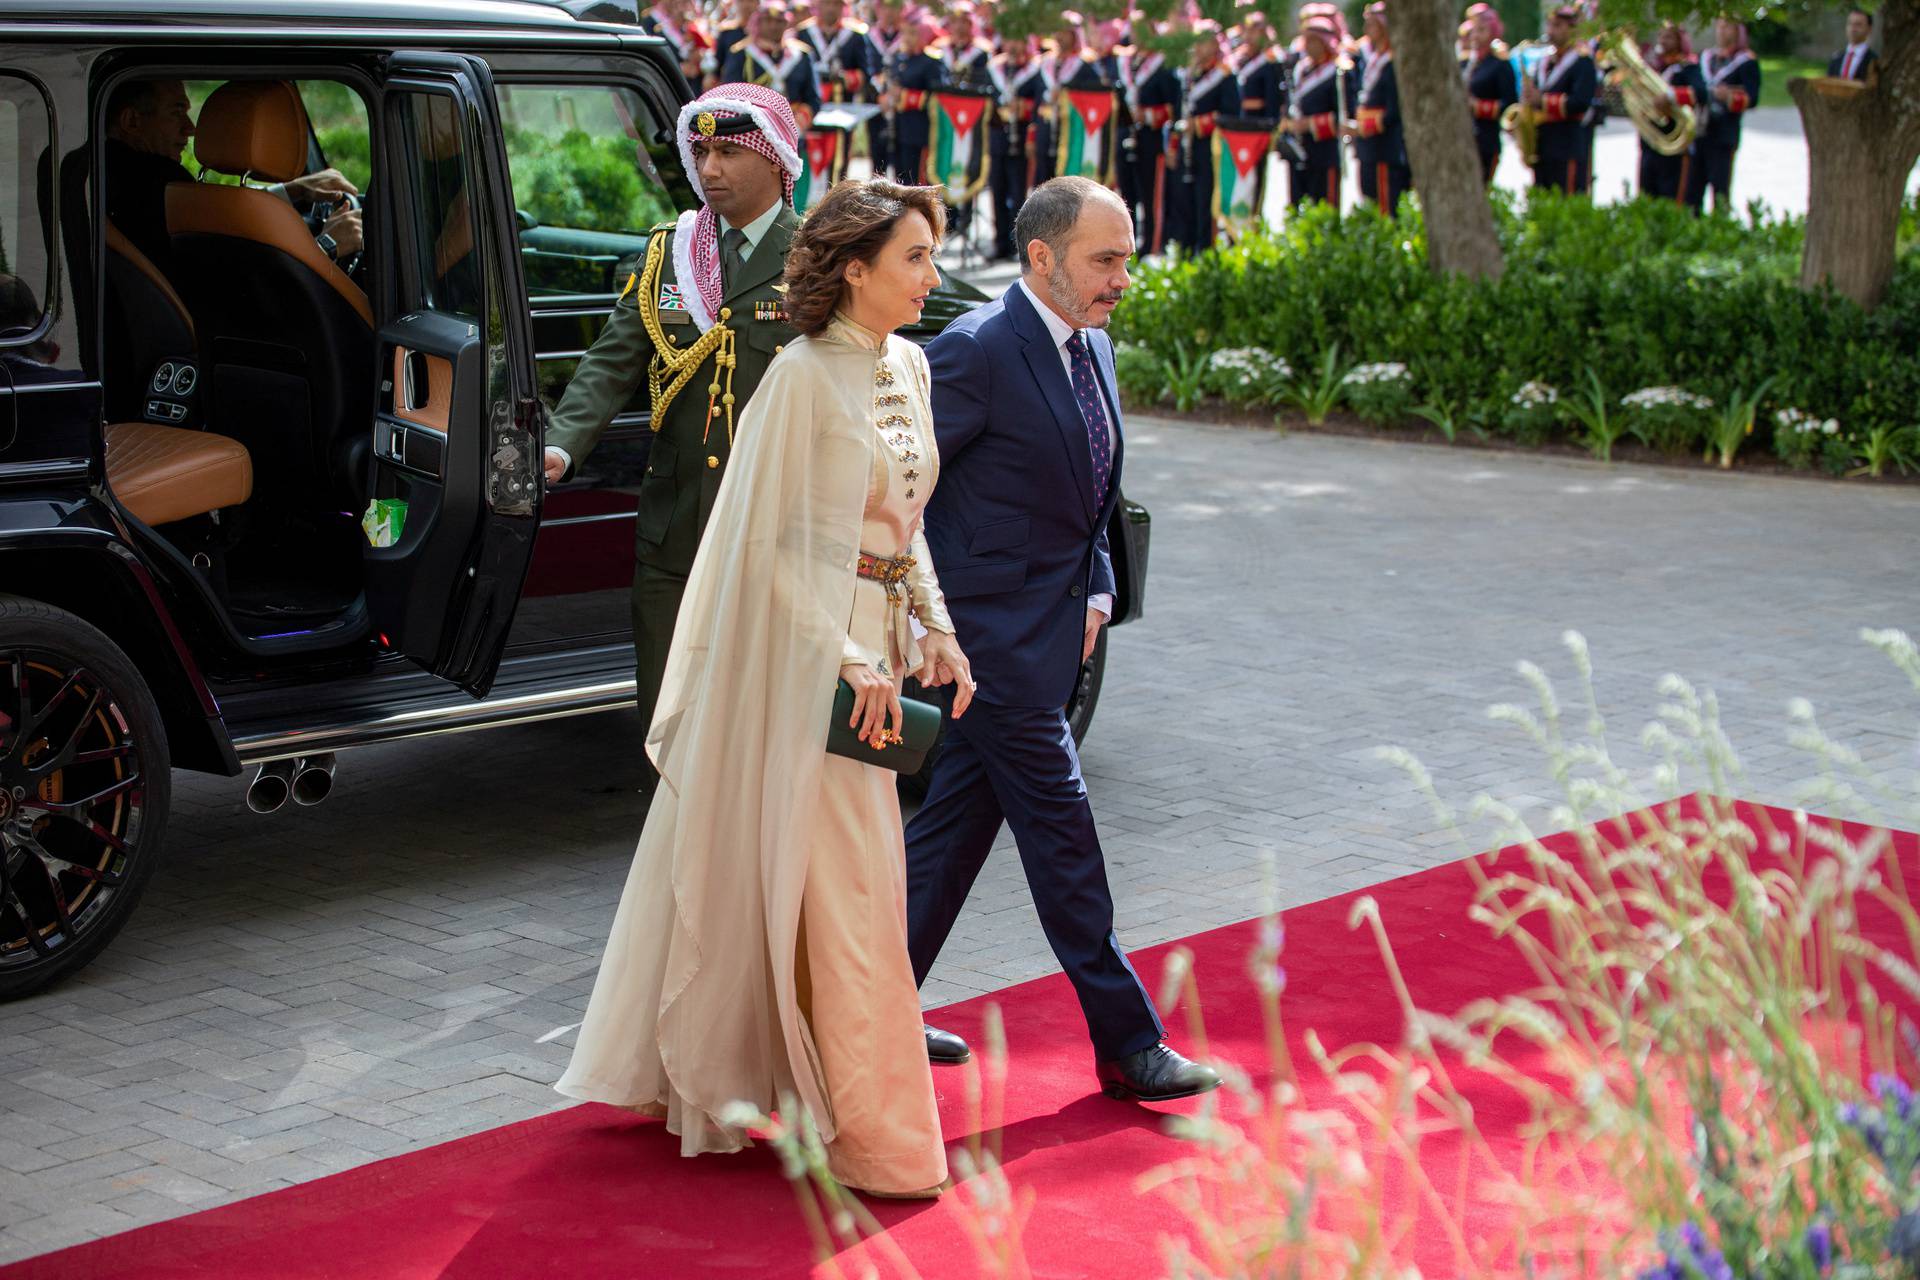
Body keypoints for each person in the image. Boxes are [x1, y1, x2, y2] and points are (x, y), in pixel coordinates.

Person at [557, 178, 974, 1200]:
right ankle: (879, 1137)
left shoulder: (911, 366)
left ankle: (735, 1064)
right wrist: (846, 653)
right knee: (855, 889)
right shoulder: (796, 378)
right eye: (914, 258)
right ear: (855, 270)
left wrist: (939, 629)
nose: (932, 276)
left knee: (820, 878)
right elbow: (767, 548)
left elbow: (904, 527)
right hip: (808, 664)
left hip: (872, 650)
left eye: (930, 255)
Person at [907, 177, 1220, 1105]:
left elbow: (1093, 492)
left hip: (1051, 635)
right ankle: (1127, 1041)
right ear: (1041, 258)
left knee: (951, 835)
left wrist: (1098, 582)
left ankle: (865, 1009)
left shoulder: (1093, 342)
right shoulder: (974, 351)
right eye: (1105, 259)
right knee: (1065, 837)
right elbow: (898, 493)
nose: (1124, 277)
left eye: (1127, 257)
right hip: (989, 646)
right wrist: (927, 621)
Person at [541, 85, 804, 793]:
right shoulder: (673, 253)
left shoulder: (816, 260)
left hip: (772, 525)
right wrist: (562, 445)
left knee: (764, 709)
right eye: (701, 152)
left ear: (776, 160)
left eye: (727, 152)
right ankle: (684, 843)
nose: (709, 168)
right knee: (668, 707)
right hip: (677, 523)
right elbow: (612, 360)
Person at [102, 78, 359, 280]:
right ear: (131, 121)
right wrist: (327, 245)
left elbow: (220, 214)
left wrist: (290, 190)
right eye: (176, 111)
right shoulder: (157, 185)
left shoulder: (108, 174)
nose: (190, 128)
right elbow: (241, 289)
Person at [1167, 23, 1237, 252]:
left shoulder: (1225, 75)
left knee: (1207, 203)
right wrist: (1173, 145)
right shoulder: (1189, 75)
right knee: (1184, 202)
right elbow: (1179, 114)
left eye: (1202, 41)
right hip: (1188, 149)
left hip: (1211, 150)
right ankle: (1185, 250)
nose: (1196, 47)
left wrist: (1196, 125)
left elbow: (1229, 114)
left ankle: (1206, 252)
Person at [1123, 15, 1181, 254]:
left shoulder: (1164, 66)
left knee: (1151, 196)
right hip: (1128, 137)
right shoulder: (1128, 62)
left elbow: (1173, 107)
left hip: (1153, 139)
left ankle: (1152, 245)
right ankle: (1128, 244)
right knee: (1128, 195)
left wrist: (1146, 116)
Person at [989, 34, 1050, 260]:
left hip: (1023, 138)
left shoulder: (1034, 70)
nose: (1013, 45)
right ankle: (1000, 242)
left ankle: (1020, 244)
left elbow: (1040, 104)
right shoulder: (995, 68)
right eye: (1009, 40)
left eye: (1018, 41)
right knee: (997, 189)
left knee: (1020, 193)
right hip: (998, 138)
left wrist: (1023, 107)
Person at [1526, 6, 1598, 196]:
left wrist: (1542, 102)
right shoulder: (1544, 61)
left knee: (1568, 195)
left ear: (1573, 29)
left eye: (1557, 26)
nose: (1550, 31)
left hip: (1569, 143)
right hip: (1543, 143)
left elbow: (1580, 102)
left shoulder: (1583, 62)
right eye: (1550, 25)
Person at [1692, 17, 1759, 213]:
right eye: (1719, 26)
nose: (1722, 31)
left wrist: (1729, 96)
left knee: (1720, 188)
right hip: (1699, 130)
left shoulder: (1746, 61)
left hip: (1723, 133)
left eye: (1727, 27)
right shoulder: (1705, 57)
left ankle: (1720, 230)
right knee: (1693, 189)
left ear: (1738, 31)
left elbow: (1752, 98)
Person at [1281, 16, 1350, 208]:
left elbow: (1342, 115)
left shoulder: (1337, 72)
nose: (1308, 45)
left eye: (1313, 40)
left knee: (1324, 206)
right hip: (1299, 152)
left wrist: (1309, 124)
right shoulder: (1300, 70)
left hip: (1324, 152)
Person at [721, 3, 825, 129]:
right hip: (752, 125)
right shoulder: (741, 53)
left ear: (786, 23)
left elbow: (813, 98)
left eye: (779, 21)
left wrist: (798, 123)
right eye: (768, 21)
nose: (773, 26)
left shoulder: (801, 54)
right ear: (758, 23)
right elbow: (729, 95)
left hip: (792, 126)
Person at [1349, 2, 1408, 215]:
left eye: (1372, 25)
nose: (1367, 31)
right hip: (1368, 147)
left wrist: (1362, 126)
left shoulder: (1394, 61)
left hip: (1385, 147)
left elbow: (1395, 111)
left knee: (1386, 210)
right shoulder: (1373, 59)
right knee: (1369, 203)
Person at [1639, 22, 1705, 207]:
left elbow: (1701, 93)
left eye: (1668, 37)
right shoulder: (1654, 67)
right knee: (1646, 197)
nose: (1663, 41)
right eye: (1661, 36)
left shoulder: (1687, 67)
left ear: (1679, 41)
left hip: (1674, 143)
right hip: (1650, 142)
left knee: (1671, 198)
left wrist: (1671, 96)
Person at [886, 15, 949, 182]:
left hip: (920, 131)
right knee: (900, 177)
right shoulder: (900, 58)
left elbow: (938, 96)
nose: (907, 38)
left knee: (916, 179)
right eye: (905, 33)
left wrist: (906, 97)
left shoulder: (931, 61)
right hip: (900, 127)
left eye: (913, 33)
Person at [1461, 3, 1514, 186]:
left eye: (1482, 30)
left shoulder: (1500, 64)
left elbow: (1509, 104)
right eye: (1473, 30)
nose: (1475, 36)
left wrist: (1477, 106)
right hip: (1462, 138)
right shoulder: (1464, 62)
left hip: (1486, 139)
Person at [798, 0, 879, 104]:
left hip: (844, 102)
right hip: (810, 102)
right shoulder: (804, 32)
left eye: (836, 4)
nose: (831, 8)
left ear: (842, 6)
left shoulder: (854, 34)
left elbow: (866, 74)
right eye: (827, 3)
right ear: (818, 4)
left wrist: (846, 77)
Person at [1829, 8, 1877, 81]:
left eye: (1858, 25)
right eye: (1850, 23)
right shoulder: (1836, 58)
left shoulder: (1873, 60)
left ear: (1869, 29)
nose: (1853, 28)